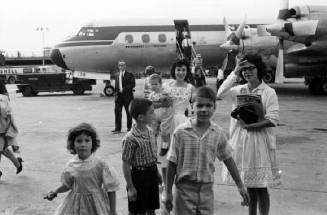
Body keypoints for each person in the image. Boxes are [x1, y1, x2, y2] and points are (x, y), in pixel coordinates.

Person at [165, 86, 249, 215]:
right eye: (199, 106)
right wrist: (168, 192)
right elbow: (172, 162)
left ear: (214, 107)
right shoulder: (180, 132)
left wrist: (240, 186)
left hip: (206, 191)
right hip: (184, 190)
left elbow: (228, 159)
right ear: (192, 107)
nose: (204, 110)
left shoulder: (218, 133)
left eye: (208, 106)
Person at [217, 52, 281, 215]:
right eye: (244, 69)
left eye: (251, 68)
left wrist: (250, 126)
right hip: (241, 143)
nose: (247, 72)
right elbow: (220, 94)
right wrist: (234, 72)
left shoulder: (268, 92)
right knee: (250, 187)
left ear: (258, 69)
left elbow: (272, 119)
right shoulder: (238, 90)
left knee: (261, 188)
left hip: (259, 143)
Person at [44, 123, 120, 215]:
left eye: (87, 140)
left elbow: (111, 188)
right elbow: (67, 185)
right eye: (79, 141)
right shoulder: (71, 165)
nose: (83, 144)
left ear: (93, 143)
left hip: (96, 205)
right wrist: (55, 191)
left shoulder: (101, 164)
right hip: (75, 206)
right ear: (73, 144)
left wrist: (112, 211)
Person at [122, 98, 162, 215]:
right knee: (137, 209)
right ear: (141, 117)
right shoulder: (130, 138)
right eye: (151, 112)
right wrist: (130, 187)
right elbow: (125, 164)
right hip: (138, 177)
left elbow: (151, 157)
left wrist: (157, 173)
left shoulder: (150, 131)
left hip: (152, 173)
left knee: (151, 206)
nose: (154, 115)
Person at [147, 74, 173, 201]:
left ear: (161, 84)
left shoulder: (164, 92)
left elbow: (166, 102)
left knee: (165, 132)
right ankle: (154, 149)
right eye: (152, 84)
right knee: (153, 132)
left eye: (156, 84)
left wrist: (158, 102)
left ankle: (164, 147)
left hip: (165, 116)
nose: (154, 86)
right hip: (155, 117)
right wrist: (158, 103)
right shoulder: (151, 95)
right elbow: (150, 105)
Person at [163, 59, 194, 132]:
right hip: (168, 121)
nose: (181, 72)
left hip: (183, 121)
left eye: (183, 70)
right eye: (178, 70)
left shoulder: (190, 88)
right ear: (174, 71)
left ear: (187, 72)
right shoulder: (166, 86)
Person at [0, 86, 23, 179]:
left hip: (2, 129)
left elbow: (6, 112)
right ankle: (18, 163)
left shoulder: (2, 99)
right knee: (3, 149)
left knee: (1, 149)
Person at [112, 60, 136, 133]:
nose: (121, 66)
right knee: (117, 112)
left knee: (128, 112)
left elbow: (132, 84)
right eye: (120, 65)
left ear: (125, 66)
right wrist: (115, 94)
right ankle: (117, 128)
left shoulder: (130, 74)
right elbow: (116, 85)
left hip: (127, 96)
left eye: (123, 65)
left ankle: (129, 128)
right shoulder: (116, 75)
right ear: (118, 66)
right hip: (118, 97)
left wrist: (124, 89)